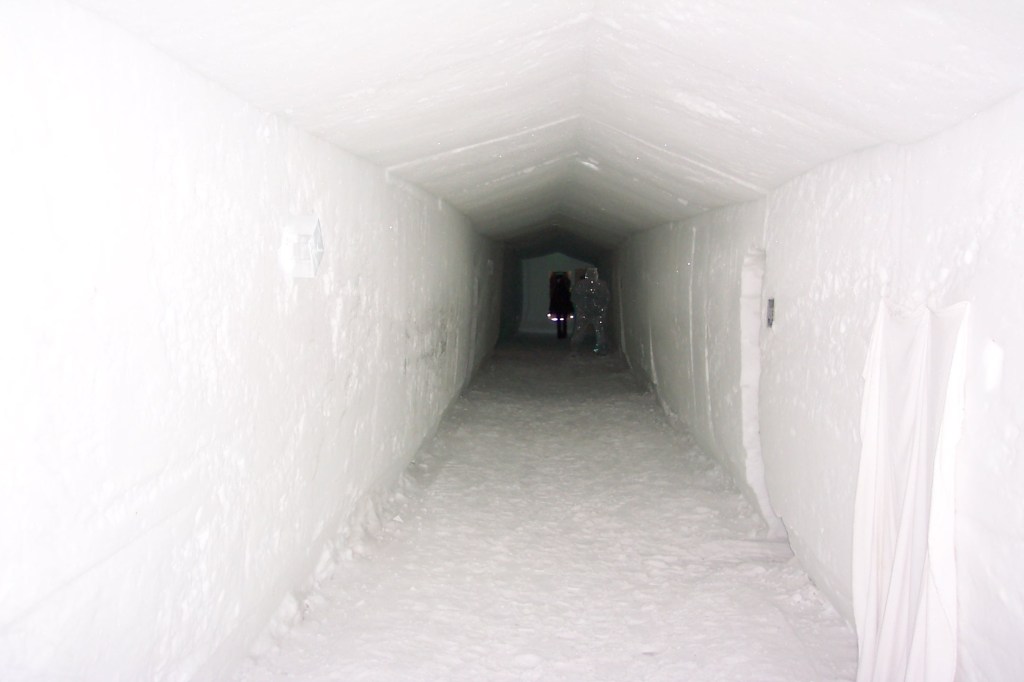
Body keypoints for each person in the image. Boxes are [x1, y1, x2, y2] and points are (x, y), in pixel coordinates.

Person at [570, 267, 611, 354]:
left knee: (584, 331)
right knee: (598, 331)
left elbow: (606, 298)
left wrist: (580, 307)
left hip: (590, 312)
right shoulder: (600, 284)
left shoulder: (582, 284)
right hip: (590, 312)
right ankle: (599, 349)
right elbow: (574, 297)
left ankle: (576, 349)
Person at [548, 272, 574, 339]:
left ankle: (560, 333)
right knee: (564, 320)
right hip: (564, 305)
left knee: (559, 320)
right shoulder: (565, 288)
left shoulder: (556, 288)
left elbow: (553, 297)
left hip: (558, 305)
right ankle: (563, 333)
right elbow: (568, 297)